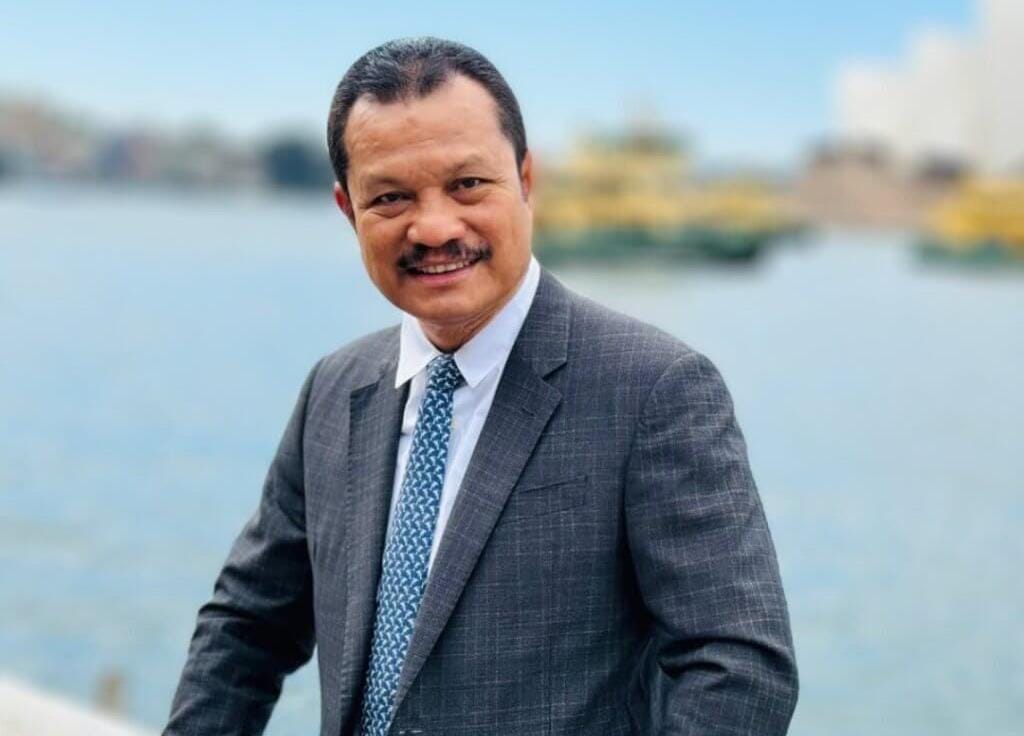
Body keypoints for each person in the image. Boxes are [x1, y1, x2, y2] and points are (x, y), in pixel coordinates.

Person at [164, 37, 798, 736]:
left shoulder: (653, 390)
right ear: (348, 210)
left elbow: (739, 666)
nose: (435, 227)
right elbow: (247, 627)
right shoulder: (334, 391)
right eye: (391, 197)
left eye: (467, 184)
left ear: (525, 179)